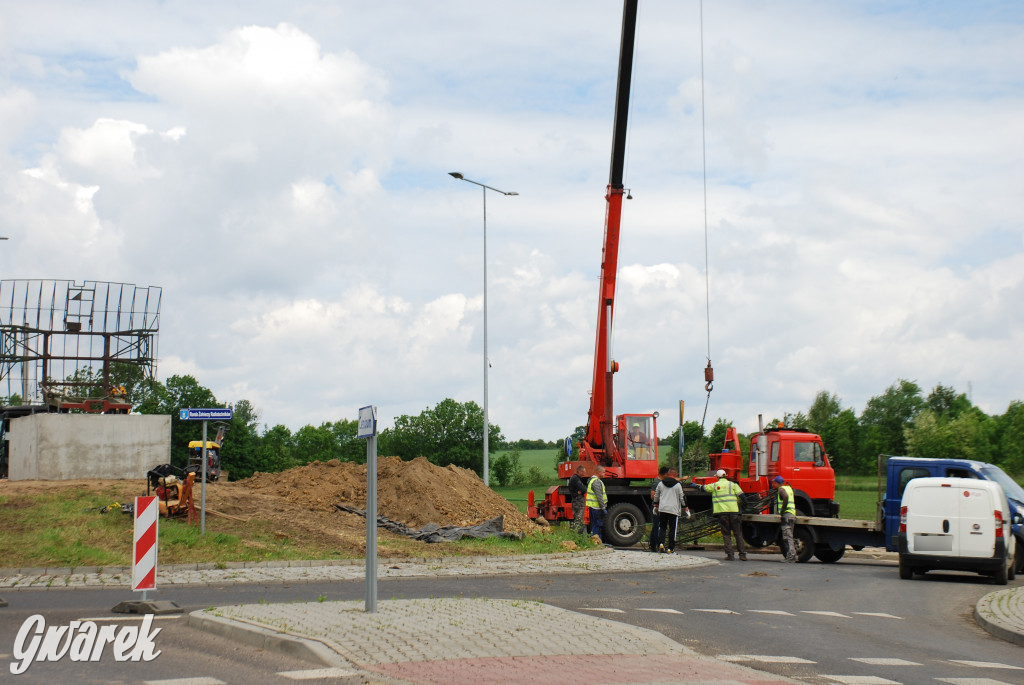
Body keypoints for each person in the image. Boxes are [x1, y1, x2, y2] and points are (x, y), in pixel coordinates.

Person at [703, 468, 747, 561]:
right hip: (735, 513)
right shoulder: (733, 485)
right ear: (725, 475)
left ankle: (730, 555)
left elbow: (704, 488)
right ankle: (742, 555)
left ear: (717, 477)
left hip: (723, 514)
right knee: (738, 534)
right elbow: (742, 496)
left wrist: (694, 485)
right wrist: (746, 506)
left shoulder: (714, 485)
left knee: (726, 534)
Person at [654, 468, 690, 553]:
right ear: (676, 475)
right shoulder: (678, 485)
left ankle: (661, 544)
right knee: (672, 529)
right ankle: (670, 548)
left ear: (668, 474)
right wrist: (686, 508)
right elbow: (682, 497)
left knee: (662, 527)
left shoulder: (661, 483)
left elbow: (656, 495)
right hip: (673, 510)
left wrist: (656, 505)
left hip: (663, 509)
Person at [773, 475, 797, 562]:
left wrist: (783, 510)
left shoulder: (781, 489)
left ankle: (791, 557)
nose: (774, 484)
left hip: (786, 515)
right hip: (792, 514)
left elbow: (785, 497)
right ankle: (791, 556)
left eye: (774, 483)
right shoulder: (789, 488)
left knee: (787, 537)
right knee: (790, 536)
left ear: (777, 483)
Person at [585, 466, 608, 543]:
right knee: (597, 526)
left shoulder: (592, 480)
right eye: (604, 472)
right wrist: (603, 508)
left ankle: (596, 542)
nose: (605, 474)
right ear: (599, 472)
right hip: (596, 508)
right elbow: (599, 496)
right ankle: (596, 542)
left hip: (594, 507)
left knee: (595, 525)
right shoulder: (596, 482)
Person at [649, 466, 669, 552]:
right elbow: (653, 496)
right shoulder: (656, 482)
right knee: (657, 526)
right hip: (656, 507)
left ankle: (653, 545)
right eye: (667, 474)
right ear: (664, 474)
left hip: (660, 507)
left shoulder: (661, 481)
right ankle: (656, 545)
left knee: (656, 526)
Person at [568, 465, 588, 534]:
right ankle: (577, 536)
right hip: (578, 501)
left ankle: (577, 535)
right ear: (579, 471)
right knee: (579, 519)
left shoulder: (575, 478)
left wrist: (581, 491)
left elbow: (582, 489)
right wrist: (581, 491)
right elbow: (584, 489)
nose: (584, 474)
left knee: (578, 518)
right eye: (583, 472)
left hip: (576, 499)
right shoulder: (576, 479)